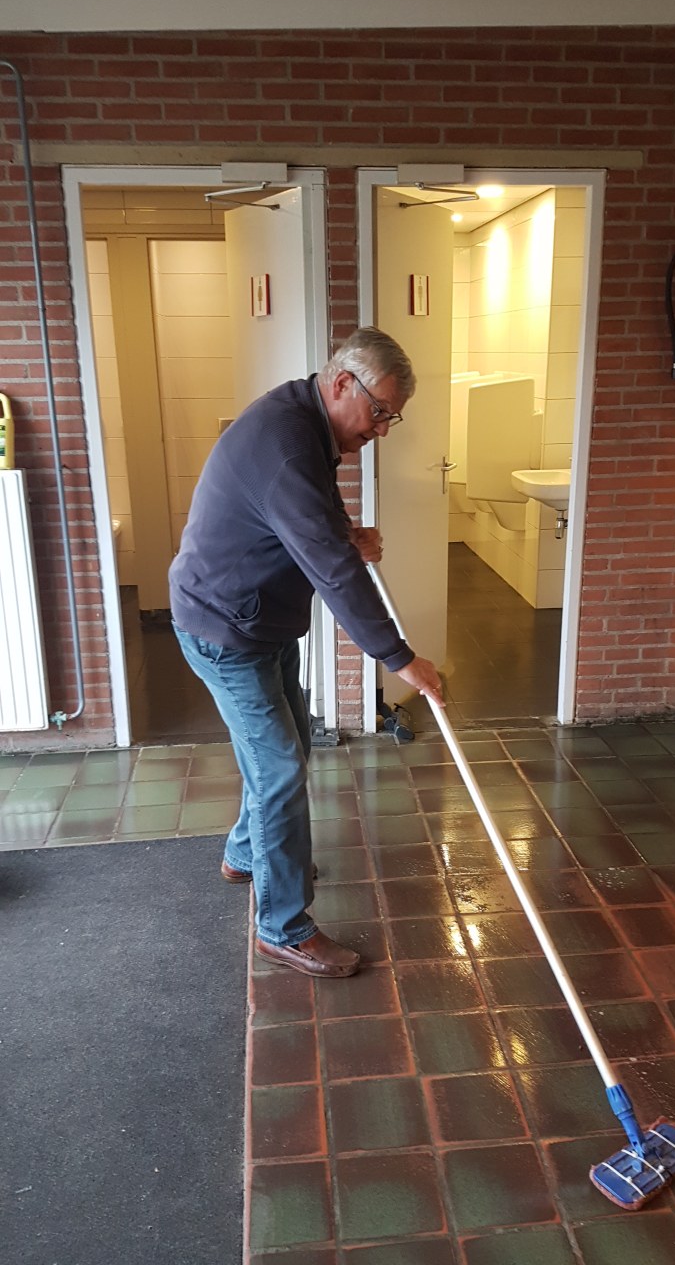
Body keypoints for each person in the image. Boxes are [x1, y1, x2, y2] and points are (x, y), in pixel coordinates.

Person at [169, 326, 444, 979]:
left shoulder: (304, 422)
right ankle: (282, 927)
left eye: (392, 418)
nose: (381, 429)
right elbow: (334, 574)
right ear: (343, 383)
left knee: (284, 754)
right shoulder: (289, 443)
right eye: (380, 412)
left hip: (256, 622)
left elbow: (302, 519)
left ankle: (246, 855)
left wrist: (342, 533)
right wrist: (398, 658)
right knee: (280, 770)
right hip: (226, 631)